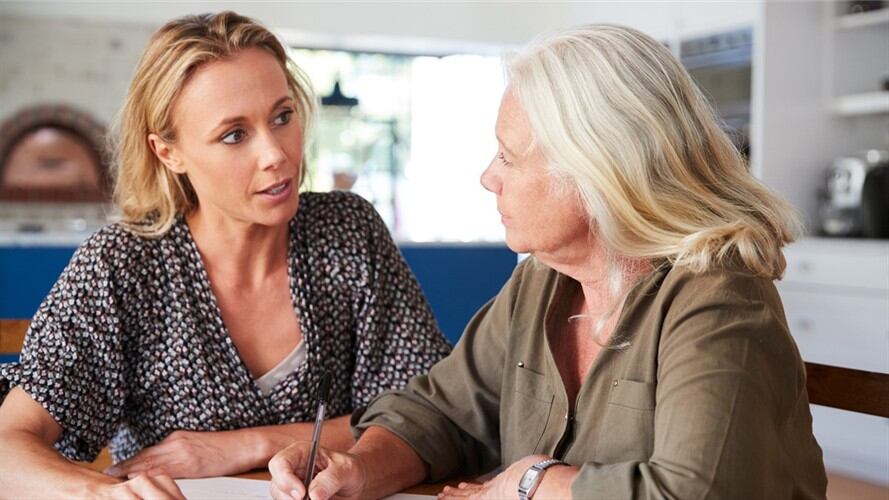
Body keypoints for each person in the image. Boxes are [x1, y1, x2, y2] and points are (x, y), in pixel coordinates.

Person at [269, 24, 828, 500]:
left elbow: (694, 491)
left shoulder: (718, 293)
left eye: (508, 156)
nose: (489, 177)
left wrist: (533, 481)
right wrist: (361, 466)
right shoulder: (543, 279)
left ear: (597, 172)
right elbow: (441, 413)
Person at [0, 11, 450, 498]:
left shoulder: (348, 232)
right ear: (168, 153)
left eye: (282, 116)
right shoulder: (122, 266)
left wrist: (247, 445)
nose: (275, 153)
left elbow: (433, 411)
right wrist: (101, 495)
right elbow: (8, 445)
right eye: (234, 135)